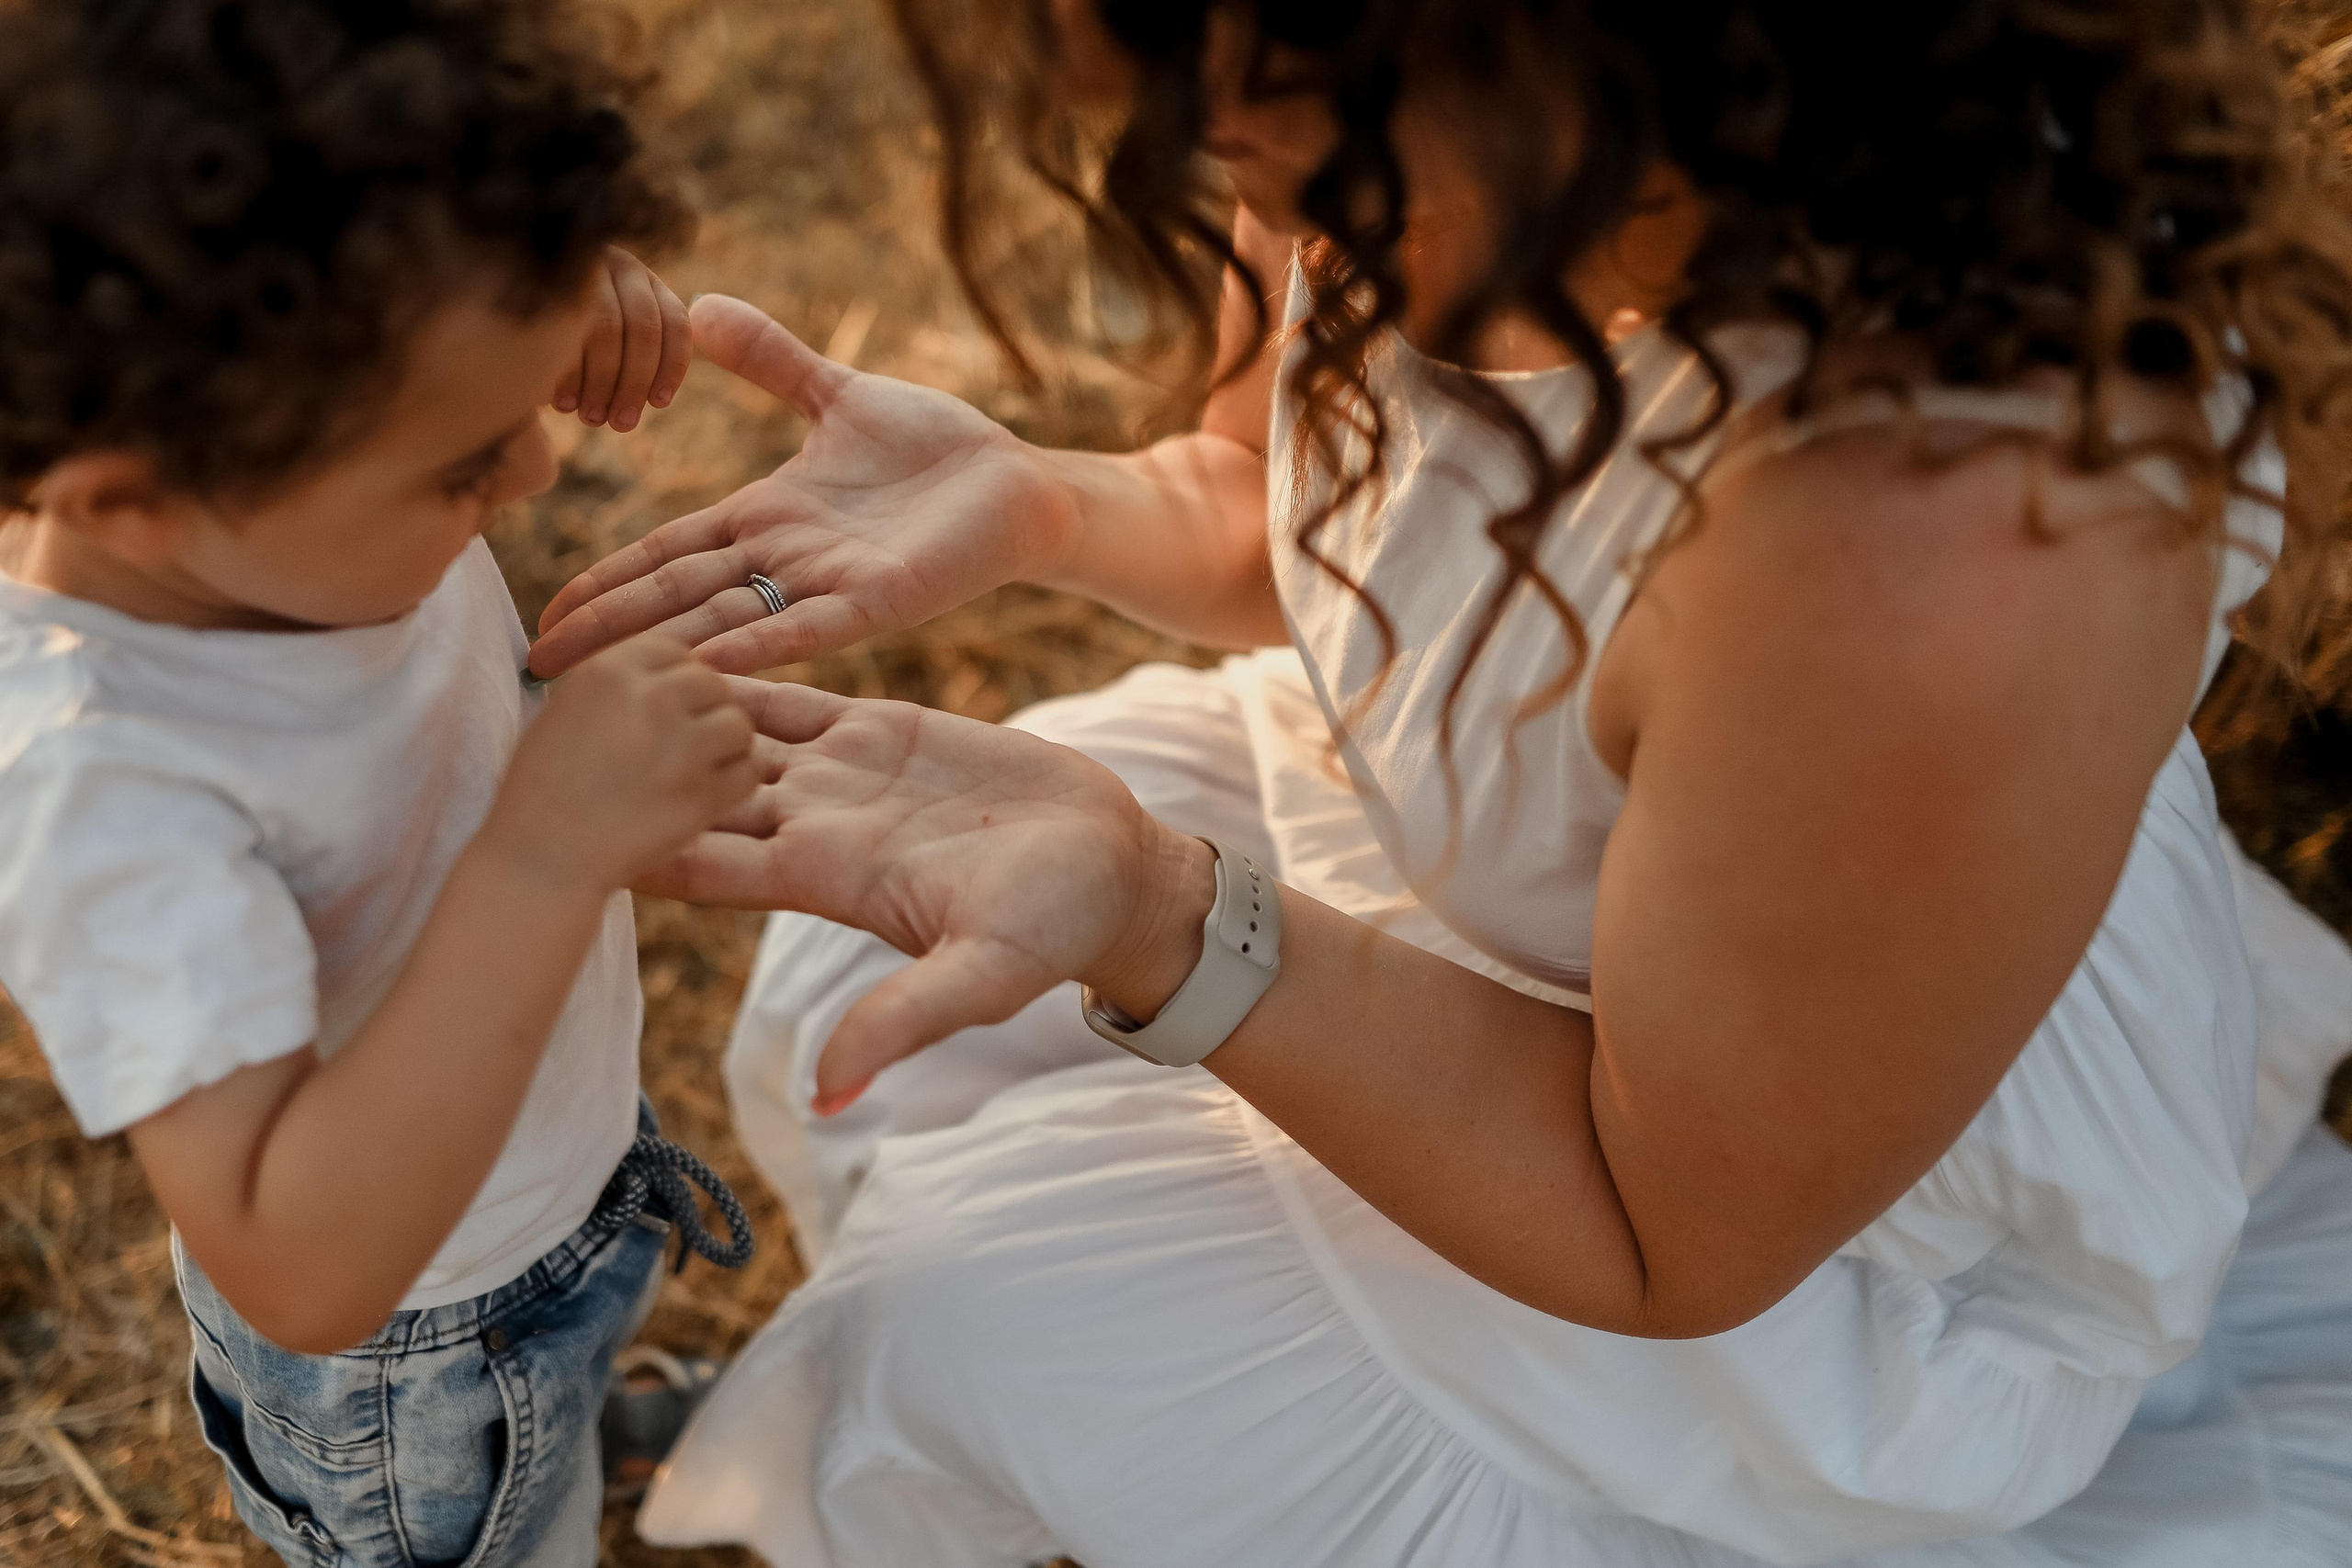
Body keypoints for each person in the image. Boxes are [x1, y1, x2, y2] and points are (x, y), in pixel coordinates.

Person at [532, 1, 2352, 1562]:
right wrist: (1042, 499)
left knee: (977, 1316)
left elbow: (1665, 1229)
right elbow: (1296, 495)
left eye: (1276, 162)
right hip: (1501, 845)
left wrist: (1162, 916)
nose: (1235, 207)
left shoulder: (1932, 539)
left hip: (1784, 1201)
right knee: (863, 995)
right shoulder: (1421, 103)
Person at [0, 3, 757, 1563]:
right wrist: (545, 853)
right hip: (422, 1366)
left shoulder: (273, 461)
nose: (535, 472)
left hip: (549, 1185)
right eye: (465, 460)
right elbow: (298, 1262)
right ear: (131, 493)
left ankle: (579, 1423)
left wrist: (532, 315)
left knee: (559, 1392)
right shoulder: (107, 791)